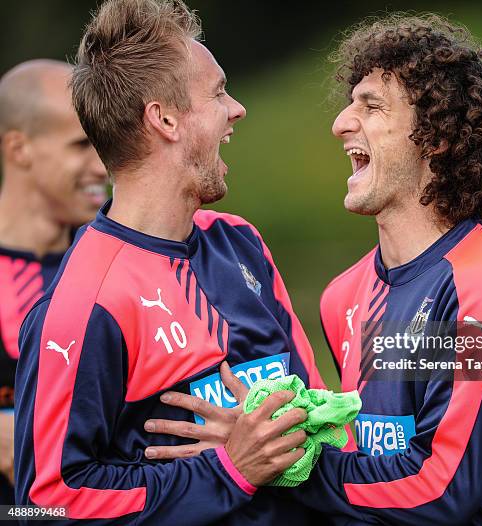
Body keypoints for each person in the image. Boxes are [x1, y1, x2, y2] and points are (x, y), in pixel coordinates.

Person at [160, 14, 482, 526]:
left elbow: (440, 491)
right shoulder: (344, 297)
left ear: (436, 138)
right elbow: (369, 463)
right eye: (350, 101)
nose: (340, 122)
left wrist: (277, 459)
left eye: (371, 105)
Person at [14, 1, 326, 525]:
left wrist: (274, 434)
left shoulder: (240, 242)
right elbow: (42, 504)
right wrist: (228, 472)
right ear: (164, 119)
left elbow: (315, 412)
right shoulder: (85, 304)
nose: (237, 109)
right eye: (219, 92)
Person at [0, 59, 107, 513]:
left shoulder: (114, 261)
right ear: (19, 149)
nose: (103, 165)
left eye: (103, 143)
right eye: (81, 144)